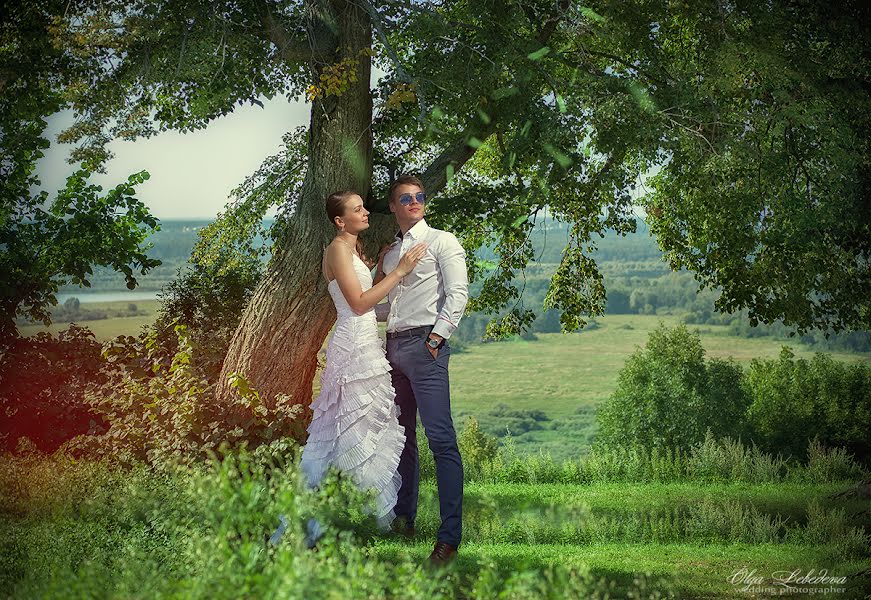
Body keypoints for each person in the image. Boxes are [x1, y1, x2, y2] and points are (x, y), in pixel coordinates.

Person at [269, 189, 427, 547]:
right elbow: (357, 303)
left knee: (359, 423)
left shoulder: (349, 249)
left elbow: (358, 292)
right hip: (353, 346)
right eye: (358, 209)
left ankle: (356, 513)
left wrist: (376, 266)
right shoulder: (337, 249)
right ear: (340, 220)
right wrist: (400, 271)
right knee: (339, 427)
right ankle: (318, 517)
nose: (366, 212)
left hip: (364, 341)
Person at [374, 175, 469, 566]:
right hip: (392, 348)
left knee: (442, 439)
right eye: (405, 198)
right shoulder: (390, 255)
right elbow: (384, 309)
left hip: (425, 347)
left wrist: (436, 339)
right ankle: (403, 518)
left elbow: (459, 293)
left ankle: (448, 539)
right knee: (402, 437)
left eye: (419, 197)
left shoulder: (443, 242)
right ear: (393, 207)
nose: (414, 202)